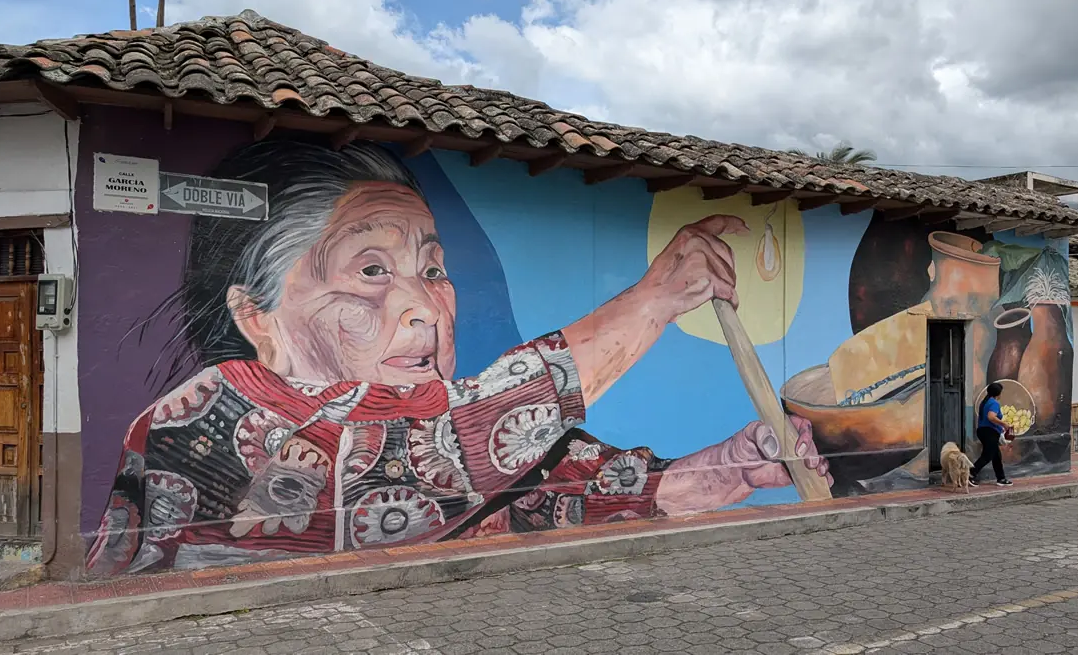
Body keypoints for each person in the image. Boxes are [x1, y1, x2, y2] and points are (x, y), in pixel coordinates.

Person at [85, 139, 832, 576]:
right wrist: (652, 299)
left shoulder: (480, 442)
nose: (423, 306)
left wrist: (741, 461)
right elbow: (427, 449)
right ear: (257, 315)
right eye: (371, 271)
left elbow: (594, 491)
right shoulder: (201, 420)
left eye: (433, 269)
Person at [970, 382, 1013, 486]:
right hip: (989, 432)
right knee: (987, 455)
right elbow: (991, 417)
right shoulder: (994, 403)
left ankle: (1001, 478)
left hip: (983, 431)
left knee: (996, 456)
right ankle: (971, 473)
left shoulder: (985, 402)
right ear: (998, 393)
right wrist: (1004, 425)